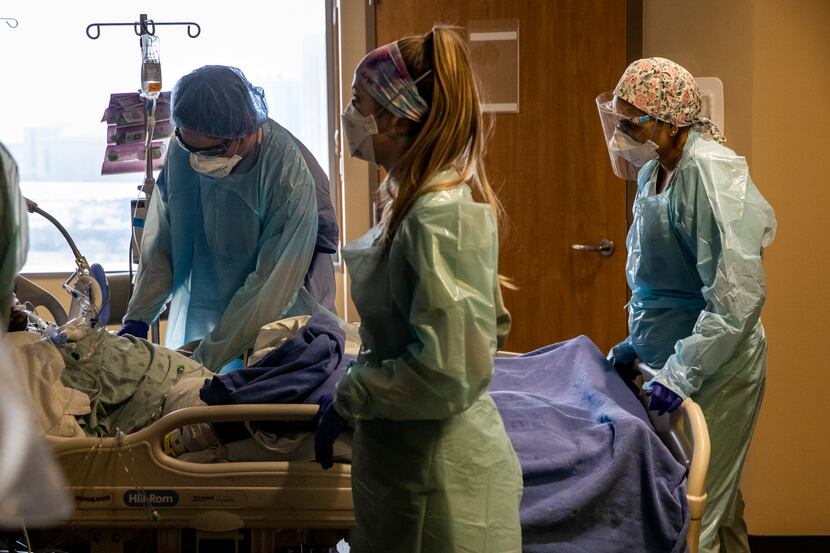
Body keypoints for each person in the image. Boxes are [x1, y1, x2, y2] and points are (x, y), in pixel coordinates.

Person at [313, 26, 522, 552]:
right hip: (410, 462)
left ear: (397, 116)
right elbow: (470, 329)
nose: (349, 117)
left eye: (358, 103)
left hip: (441, 481)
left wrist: (355, 393)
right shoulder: (412, 202)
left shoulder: (437, 217)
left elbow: (449, 371)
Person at [600, 58, 776, 553]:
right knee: (717, 497)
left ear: (669, 119)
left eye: (632, 121)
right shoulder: (658, 170)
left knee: (695, 512)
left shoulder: (709, 174)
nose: (622, 133)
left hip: (716, 366)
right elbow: (657, 278)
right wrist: (640, 340)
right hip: (670, 357)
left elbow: (735, 300)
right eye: (618, 119)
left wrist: (680, 373)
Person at [119, 66, 338, 372]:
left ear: (246, 131)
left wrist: (202, 362)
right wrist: (137, 318)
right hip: (214, 305)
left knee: (264, 394)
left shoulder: (287, 176)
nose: (199, 160)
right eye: (189, 146)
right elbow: (166, 242)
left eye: (215, 150)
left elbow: (270, 287)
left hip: (283, 313)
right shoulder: (185, 148)